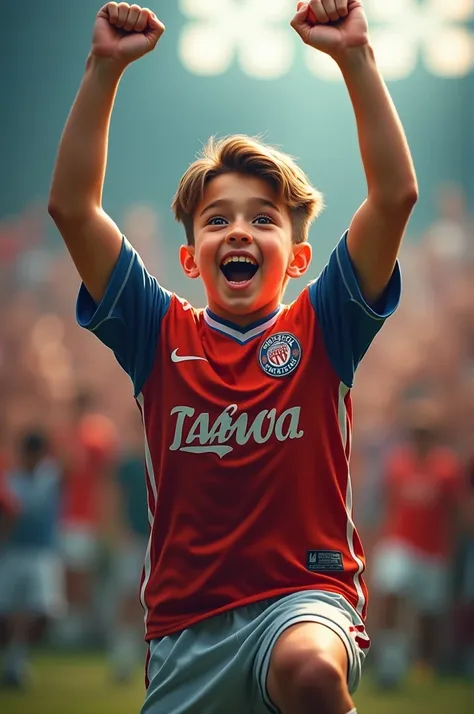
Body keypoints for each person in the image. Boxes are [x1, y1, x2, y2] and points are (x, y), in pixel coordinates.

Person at [48, 2, 418, 713]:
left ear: (299, 256)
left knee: (311, 675)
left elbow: (396, 196)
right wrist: (104, 68)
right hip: (186, 631)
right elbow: (71, 206)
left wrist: (354, 57)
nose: (238, 230)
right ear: (190, 257)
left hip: (305, 601)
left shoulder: (325, 322)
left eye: (262, 218)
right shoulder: (157, 332)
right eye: (218, 219)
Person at [371, 404, 463, 687]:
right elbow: (388, 502)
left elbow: (454, 513)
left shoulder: (447, 469)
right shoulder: (397, 463)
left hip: (432, 551)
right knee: (390, 592)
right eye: (415, 432)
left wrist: (451, 551)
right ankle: (390, 662)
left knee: (428, 614)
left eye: (425, 433)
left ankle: (423, 667)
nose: (419, 438)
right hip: (399, 543)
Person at [0, 431, 64, 688]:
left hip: (42, 552)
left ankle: (18, 657)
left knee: (43, 611)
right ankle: (15, 663)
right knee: (12, 611)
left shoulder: (51, 477)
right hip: (14, 551)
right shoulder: (11, 479)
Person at [58, 389, 118, 647]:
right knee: (70, 575)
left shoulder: (98, 436)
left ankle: (83, 629)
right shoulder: (65, 435)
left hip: (89, 517)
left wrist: (107, 520)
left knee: (85, 575)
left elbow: (107, 479)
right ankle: (71, 627)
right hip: (68, 515)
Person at [109, 413, 149, 683]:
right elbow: (115, 500)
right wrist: (116, 531)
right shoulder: (129, 464)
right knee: (127, 597)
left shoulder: (159, 459)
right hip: (134, 538)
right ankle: (123, 657)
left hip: (158, 540)